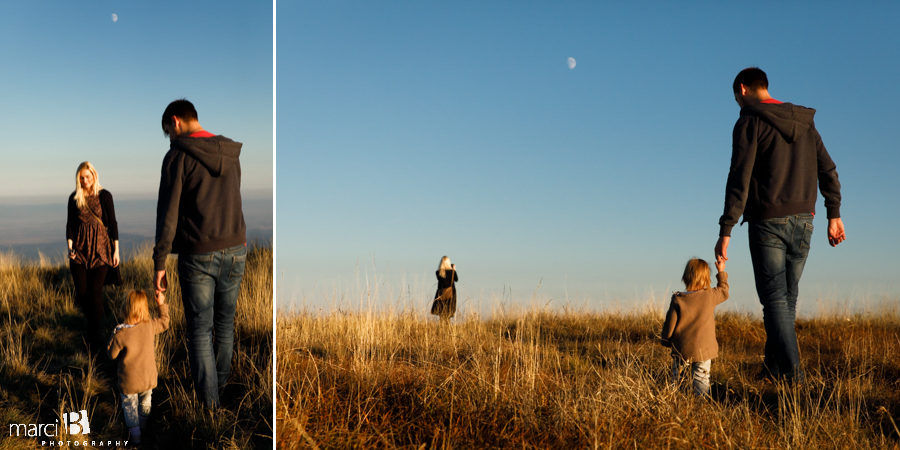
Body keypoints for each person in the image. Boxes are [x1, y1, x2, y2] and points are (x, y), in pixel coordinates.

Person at [715, 67, 845, 382]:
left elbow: (739, 177)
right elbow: (827, 168)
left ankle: (794, 376)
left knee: (775, 298)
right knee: (785, 298)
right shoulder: (804, 123)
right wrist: (834, 213)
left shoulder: (749, 120)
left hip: (768, 222)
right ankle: (773, 368)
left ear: (743, 90)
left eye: (736, 98)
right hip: (805, 221)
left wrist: (726, 229)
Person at [152, 99, 247, 408]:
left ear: (176, 122)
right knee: (224, 324)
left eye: (168, 131)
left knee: (200, 332)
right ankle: (218, 389)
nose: (170, 137)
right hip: (236, 250)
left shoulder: (177, 156)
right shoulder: (230, 154)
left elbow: (168, 215)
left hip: (199, 255)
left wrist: (159, 263)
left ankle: (210, 408)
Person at [66, 161, 120, 350]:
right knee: (82, 293)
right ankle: (93, 326)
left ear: (94, 176)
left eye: (88, 176)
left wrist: (116, 251)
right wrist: (70, 248)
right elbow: (70, 225)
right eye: (81, 177)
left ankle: (95, 338)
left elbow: (112, 223)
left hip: (101, 250)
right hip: (80, 252)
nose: (85, 180)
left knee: (96, 292)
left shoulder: (105, 195)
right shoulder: (74, 197)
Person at [108, 290, 170, 445]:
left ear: (125, 309)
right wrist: (161, 303)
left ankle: (136, 438)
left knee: (130, 407)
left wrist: (113, 336)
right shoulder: (149, 326)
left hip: (129, 382)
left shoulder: (121, 333)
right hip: (148, 379)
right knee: (146, 401)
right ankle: (144, 427)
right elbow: (165, 322)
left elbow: (112, 355)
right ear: (145, 310)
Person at [661, 258, 729, 396]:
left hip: (681, 348)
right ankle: (700, 405)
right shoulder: (709, 295)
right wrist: (721, 271)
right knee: (701, 379)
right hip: (704, 350)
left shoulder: (678, 299)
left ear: (686, 277)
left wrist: (666, 340)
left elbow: (670, 324)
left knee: (677, 379)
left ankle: (676, 401)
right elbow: (724, 291)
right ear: (706, 278)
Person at [430, 256, 459, 321]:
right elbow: (456, 279)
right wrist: (454, 270)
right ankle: (447, 329)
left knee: (441, 312)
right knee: (448, 312)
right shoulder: (452, 272)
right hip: (451, 293)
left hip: (441, 293)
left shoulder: (438, 272)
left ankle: (441, 328)